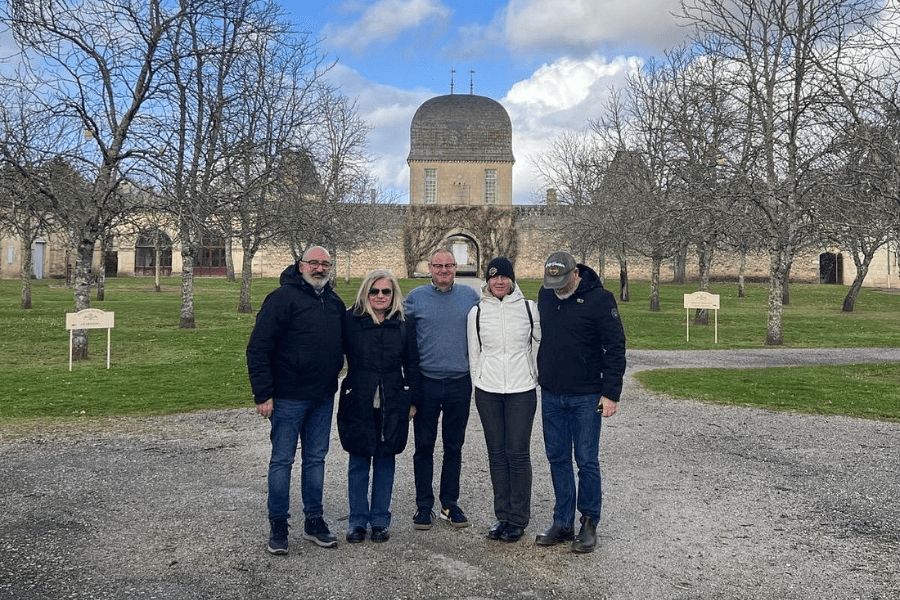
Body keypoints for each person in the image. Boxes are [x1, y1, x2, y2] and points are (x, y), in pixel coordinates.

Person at [246, 246, 345, 555]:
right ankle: (278, 523)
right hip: (288, 397)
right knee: (282, 460)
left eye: (324, 263)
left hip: (322, 396)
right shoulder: (282, 299)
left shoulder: (333, 301)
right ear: (301, 265)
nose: (319, 268)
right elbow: (258, 347)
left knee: (316, 460)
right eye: (313, 262)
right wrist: (263, 393)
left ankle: (313, 520)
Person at [534, 250, 626, 554]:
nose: (557, 286)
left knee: (586, 460)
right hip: (551, 393)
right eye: (552, 281)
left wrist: (610, 393)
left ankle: (589, 522)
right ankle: (563, 521)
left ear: (576, 273)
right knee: (557, 458)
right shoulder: (546, 296)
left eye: (562, 280)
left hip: (586, 395)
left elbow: (615, 348)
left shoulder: (600, 300)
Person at [339, 270, 422, 544]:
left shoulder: (402, 323)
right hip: (359, 397)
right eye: (374, 291)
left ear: (393, 294)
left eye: (386, 292)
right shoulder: (351, 320)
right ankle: (357, 521)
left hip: (392, 398)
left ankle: (379, 520)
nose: (380, 296)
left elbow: (412, 363)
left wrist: (412, 401)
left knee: (386, 460)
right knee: (359, 460)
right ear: (366, 293)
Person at [403, 248, 480, 529]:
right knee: (423, 446)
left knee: (454, 446)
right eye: (439, 266)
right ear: (430, 268)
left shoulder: (471, 297)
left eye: (449, 265)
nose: (444, 270)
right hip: (427, 382)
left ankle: (450, 502)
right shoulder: (416, 298)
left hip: (460, 381)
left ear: (455, 267)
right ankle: (424, 506)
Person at [466, 257, 541, 543]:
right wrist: (480, 380)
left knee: (518, 454)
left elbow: (537, 343)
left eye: (504, 277)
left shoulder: (528, 308)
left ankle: (519, 518)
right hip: (489, 391)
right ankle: (503, 516)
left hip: (521, 390)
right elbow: (475, 352)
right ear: (487, 280)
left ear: (511, 280)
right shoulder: (476, 312)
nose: (499, 282)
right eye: (494, 278)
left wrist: (533, 374)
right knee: (497, 455)